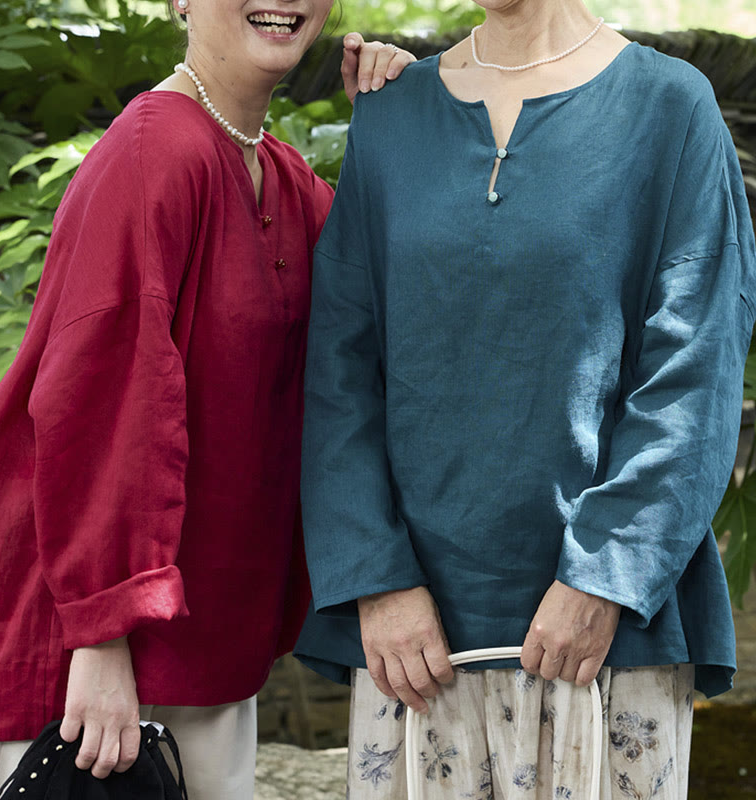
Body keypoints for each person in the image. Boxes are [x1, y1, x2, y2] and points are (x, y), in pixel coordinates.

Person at [295, 1, 756, 798]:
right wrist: (375, 576)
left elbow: (698, 364)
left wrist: (604, 576)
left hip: (601, 635)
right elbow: (341, 365)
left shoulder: (672, 108)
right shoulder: (394, 114)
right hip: (416, 639)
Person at [0, 3, 416, 798]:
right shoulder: (153, 152)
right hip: (78, 664)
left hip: (201, 654)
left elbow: (392, 323)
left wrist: (406, 130)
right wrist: (100, 642)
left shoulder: (286, 177)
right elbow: (100, 401)